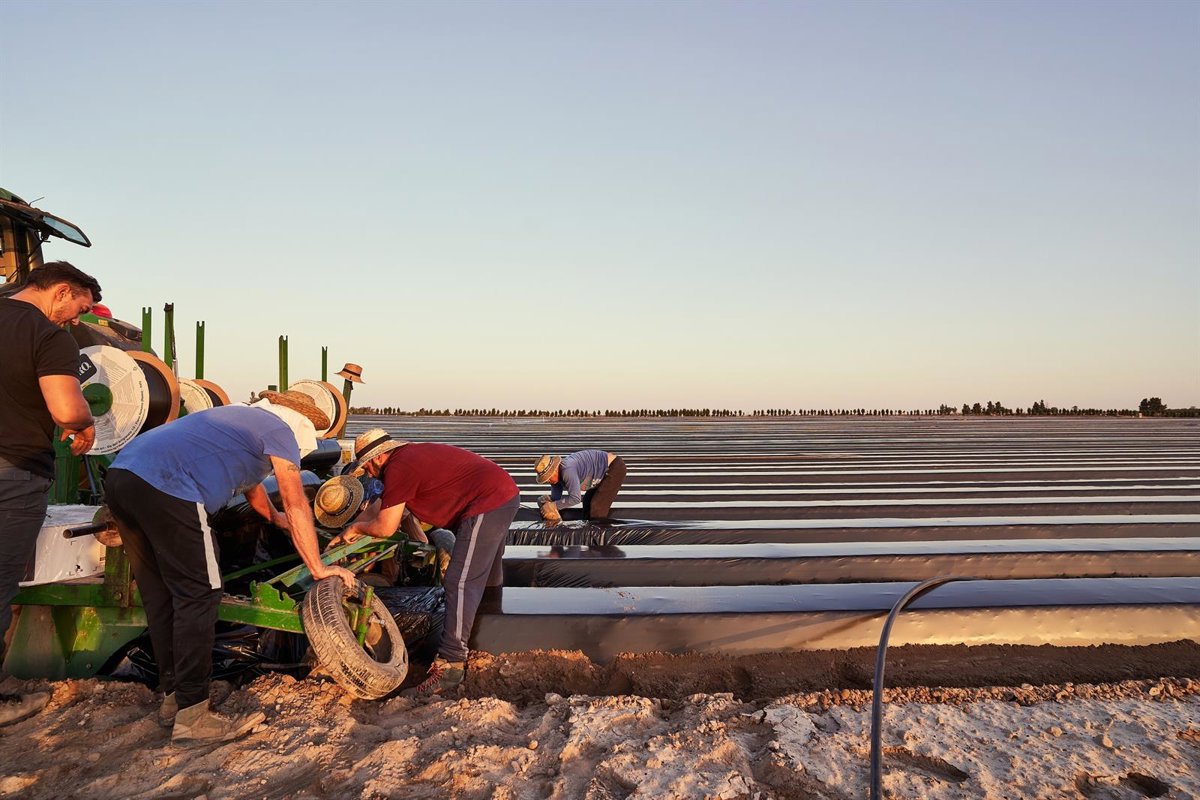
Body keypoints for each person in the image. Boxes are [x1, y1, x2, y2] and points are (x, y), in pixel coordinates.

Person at [103, 390, 356, 747]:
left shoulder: (239, 418)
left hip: (122, 478)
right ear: (302, 425)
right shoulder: (281, 429)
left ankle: (174, 699)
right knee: (201, 594)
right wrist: (317, 568)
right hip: (170, 487)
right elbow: (295, 498)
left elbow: (251, 486)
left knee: (162, 597)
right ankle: (193, 717)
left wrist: (274, 518)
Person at [327, 429, 519, 696]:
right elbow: (378, 509)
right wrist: (343, 536)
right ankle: (486, 635)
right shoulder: (406, 460)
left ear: (378, 458)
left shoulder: (399, 467)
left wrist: (356, 529)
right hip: (502, 495)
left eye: (367, 466)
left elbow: (385, 527)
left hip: (487, 503)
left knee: (459, 581)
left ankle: (451, 666)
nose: (368, 473)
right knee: (485, 576)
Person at [0, 261, 101, 727]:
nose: (77, 319)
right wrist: (85, 423)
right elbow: (66, 409)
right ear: (61, 291)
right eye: (79, 307)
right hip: (13, 472)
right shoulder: (47, 335)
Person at [534, 449, 627, 521]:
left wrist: (553, 506)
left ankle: (599, 538)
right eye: (546, 479)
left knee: (596, 507)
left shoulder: (567, 471)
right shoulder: (555, 480)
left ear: (555, 470)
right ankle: (588, 533)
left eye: (549, 477)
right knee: (587, 502)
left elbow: (575, 499)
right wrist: (547, 502)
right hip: (598, 475)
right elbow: (555, 500)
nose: (548, 481)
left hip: (613, 468)